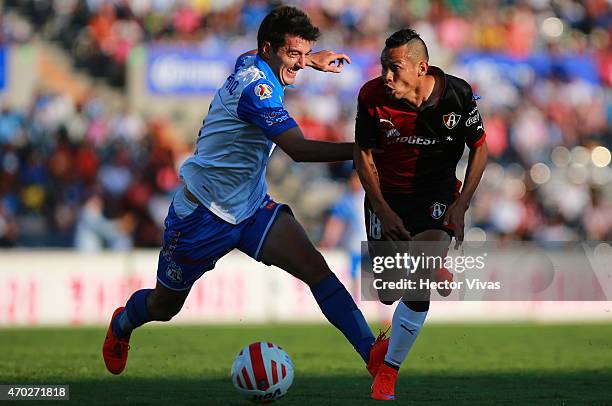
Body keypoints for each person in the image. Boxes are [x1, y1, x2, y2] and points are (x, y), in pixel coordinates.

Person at [102, 6, 389, 384]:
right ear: (268, 49)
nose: (299, 64)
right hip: (201, 214)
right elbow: (299, 151)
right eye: (293, 55)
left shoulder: (253, 61)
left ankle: (372, 355)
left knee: (315, 268)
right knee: (164, 305)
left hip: (251, 208)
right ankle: (123, 324)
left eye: (303, 55)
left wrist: (310, 59)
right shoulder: (256, 89)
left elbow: (262, 59)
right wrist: (362, 149)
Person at [353, 28, 488, 400]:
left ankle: (388, 374)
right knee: (386, 292)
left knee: (417, 281)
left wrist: (461, 207)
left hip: (437, 197)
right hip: (388, 199)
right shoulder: (370, 97)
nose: (386, 76)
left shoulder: (457, 94)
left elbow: (480, 148)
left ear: (421, 67)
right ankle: (427, 258)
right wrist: (381, 207)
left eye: (394, 68)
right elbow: (361, 154)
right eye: (383, 67)